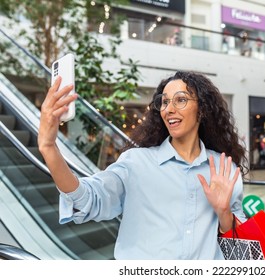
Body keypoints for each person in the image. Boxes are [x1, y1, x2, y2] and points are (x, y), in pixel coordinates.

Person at [38, 70, 249, 260]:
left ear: (202, 110)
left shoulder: (224, 168)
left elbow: (240, 248)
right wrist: (49, 147)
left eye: (181, 100)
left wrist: (223, 213)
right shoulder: (135, 163)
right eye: (164, 102)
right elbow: (87, 199)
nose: (169, 109)